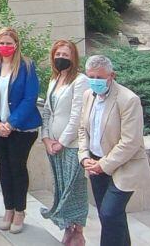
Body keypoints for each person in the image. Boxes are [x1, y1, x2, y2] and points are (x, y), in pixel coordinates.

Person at [78, 54, 150, 246]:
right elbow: (82, 129)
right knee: (111, 217)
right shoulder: (88, 95)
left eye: (99, 77)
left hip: (123, 166)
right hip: (95, 164)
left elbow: (131, 141)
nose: (95, 81)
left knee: (110, 212)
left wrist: (104, 164)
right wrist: (84, 156)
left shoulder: (128, 100)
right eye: (91, 77)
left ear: (111, 76)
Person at [0, 27, 42, 234]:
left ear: (16, 44)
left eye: (8, 43)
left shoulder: (27, 66)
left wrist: (11, 123)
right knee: (4, 167)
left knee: (17, 167)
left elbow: (30, 97)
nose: (4, 47)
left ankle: (20, 211)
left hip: (22, 128)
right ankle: (8, 208)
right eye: (1, 43)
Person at [40, 40, 90, 246]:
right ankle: (68, 230)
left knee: (74, 189)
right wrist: (45, 138)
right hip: (53, 145)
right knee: (62, 188)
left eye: (66, 55)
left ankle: (78, 232)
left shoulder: (80, 81)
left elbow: (77, 116)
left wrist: (62, 141)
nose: (61, 57)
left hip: (72, 146)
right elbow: (47, 111)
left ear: (74, 58)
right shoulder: (54, 79)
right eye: (58, 54)